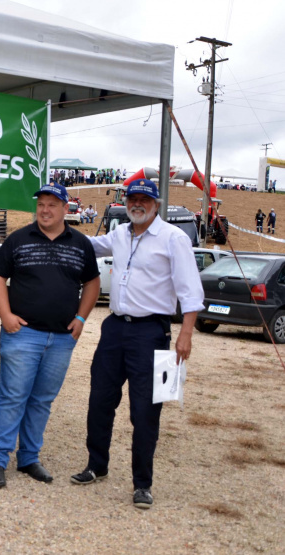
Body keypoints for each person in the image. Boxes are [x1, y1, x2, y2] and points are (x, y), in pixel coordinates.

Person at [71, 179, 203, 510]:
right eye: (133, 198)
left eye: (145, 199)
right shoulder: (120, 233)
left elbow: (190, 290)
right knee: (100, 399)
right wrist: (57, 229)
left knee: (145, 410)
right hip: (114, 329)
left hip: (151, 332)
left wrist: (186, 332)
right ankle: (96, 465)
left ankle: (142, 483)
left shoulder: (174, 238)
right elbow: (90, 245)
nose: (138, 204)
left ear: (156, 204)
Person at [0, 183, 100, 489]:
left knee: (41, 401)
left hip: (62, 339)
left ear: (66, 209)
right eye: (41, 205)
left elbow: (92, 283)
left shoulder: (81, 244)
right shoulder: (19, 239)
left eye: (52, 205)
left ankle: (29, 458)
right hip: (23, 334)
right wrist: (5, 315)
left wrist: (81, 318)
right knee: (12, 397)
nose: (45, 210)